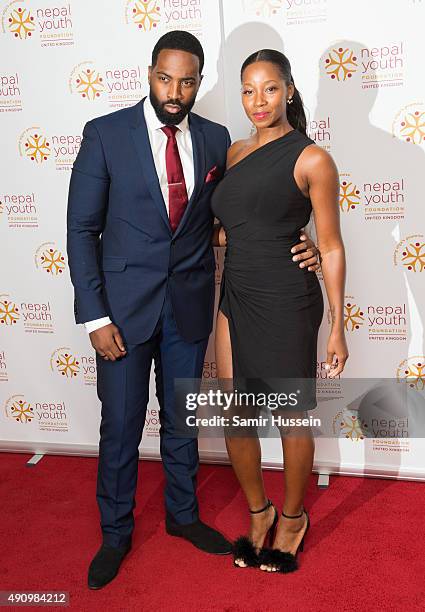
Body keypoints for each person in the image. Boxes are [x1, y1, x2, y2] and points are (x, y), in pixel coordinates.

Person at [67, 32, 321, 589]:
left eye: (187, 81)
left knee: (182, 423)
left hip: (188, 305)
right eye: (165, 78)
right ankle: (116, 533)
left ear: (199, 82)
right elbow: (83, 229)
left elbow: (246, 210)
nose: (175, 90)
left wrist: (304, 239)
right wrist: (94, 316)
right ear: (150, 73)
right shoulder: (105, 134)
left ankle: (182, 516)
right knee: (122, 425)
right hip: (122, 316)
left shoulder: (215, 140)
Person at [211, 49, 348, 573]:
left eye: (269, 88)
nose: (258, 100)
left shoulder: (312, 158)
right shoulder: (235, 151)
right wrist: (224, 229)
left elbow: (331, 246)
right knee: (232, 411)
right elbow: (232, 215)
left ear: (289, 89)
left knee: (291, 415)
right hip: (237, 294)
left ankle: (293, 518)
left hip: (288, 299)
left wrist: (337, 327)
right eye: (248, 90)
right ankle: (259, 512)